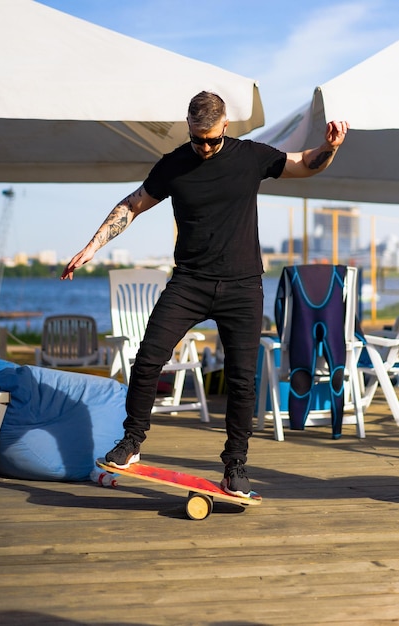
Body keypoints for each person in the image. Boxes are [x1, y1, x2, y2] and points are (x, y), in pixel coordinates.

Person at [61, 91, 349, 498]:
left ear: (225, 126)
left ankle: (235, 465)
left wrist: (329, 148)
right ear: (189, 128)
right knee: (146, 361)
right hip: (189, 283)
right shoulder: (175, 164)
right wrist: (91, 248)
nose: (206, 147)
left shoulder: (250, 156)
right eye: (198, 139)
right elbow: (132, 205)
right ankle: (132, 443)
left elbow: (304, 165)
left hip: (243, 285)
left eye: (212, 139)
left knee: (241, 380)